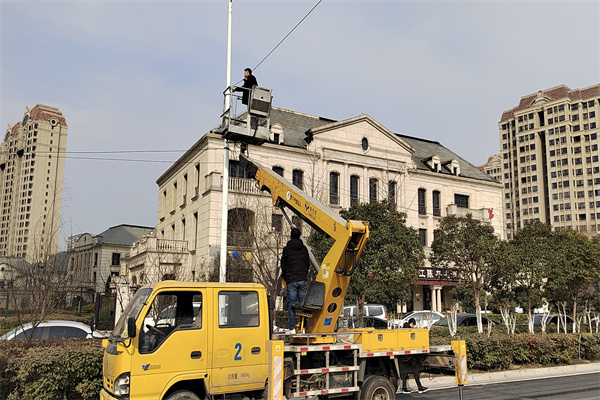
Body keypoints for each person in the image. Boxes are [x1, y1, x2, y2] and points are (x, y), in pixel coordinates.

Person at [281, 227, 309, 334]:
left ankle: (292, 328)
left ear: (290, 236)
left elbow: (283, 265)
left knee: (291, 304)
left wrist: (285, 276)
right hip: (302, 279)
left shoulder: (287, 249)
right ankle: (303, 328)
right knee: (303, 305)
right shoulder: (304, 249)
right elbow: (307, 263)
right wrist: (304, 275)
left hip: (291, 280)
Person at [400, 318, 429, 394]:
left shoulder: (403, 329)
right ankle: (419, 387)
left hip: (404, 355)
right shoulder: (409, 331)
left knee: (405, 371)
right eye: (413, 325)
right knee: (415, 370)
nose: (413, 327)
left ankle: (404, 387)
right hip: (410, 355)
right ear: (411, 323)